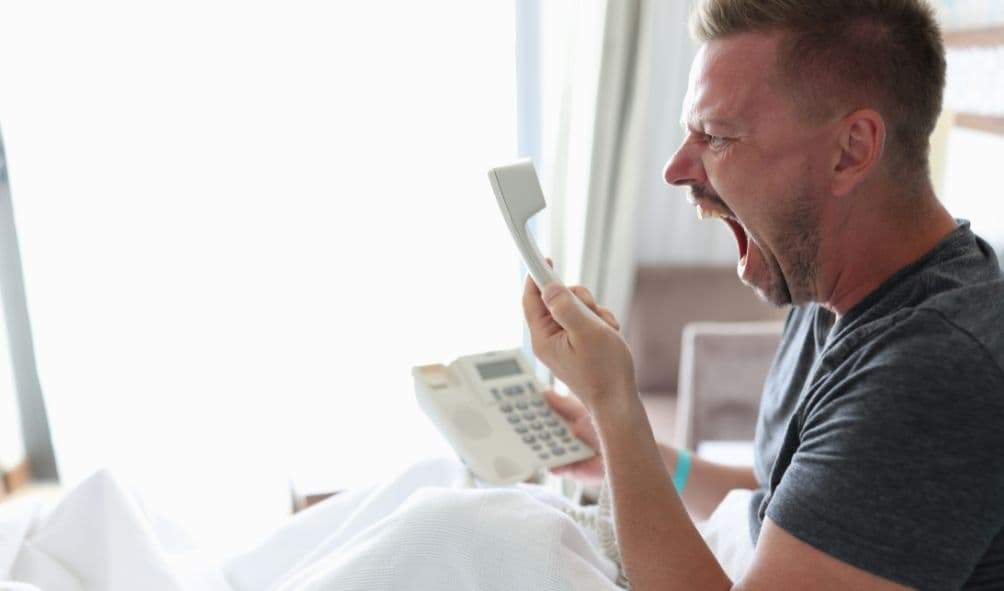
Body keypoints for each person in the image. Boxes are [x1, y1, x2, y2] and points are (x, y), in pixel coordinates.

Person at [527, 0, 1004, 589]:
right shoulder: (824, 280)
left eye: (718, 136)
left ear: (851, 150)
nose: (676, 170)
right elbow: (789, 505)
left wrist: (617, 407)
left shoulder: (933, 369)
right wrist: (627, 454)